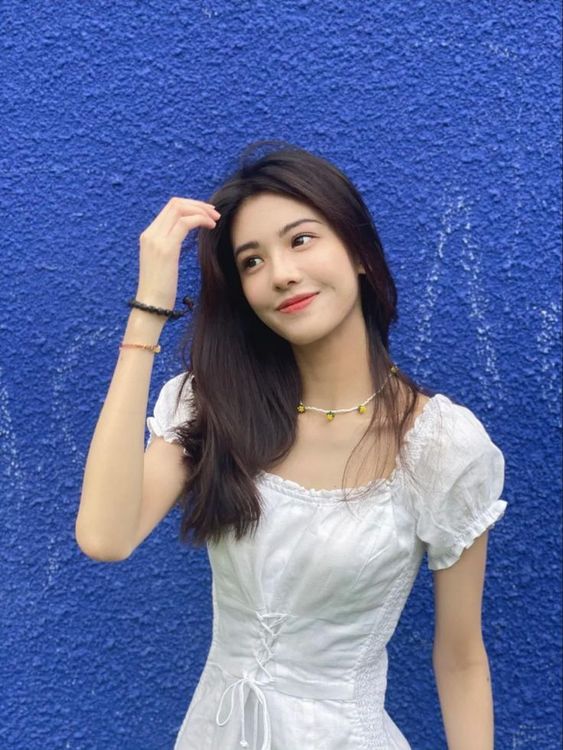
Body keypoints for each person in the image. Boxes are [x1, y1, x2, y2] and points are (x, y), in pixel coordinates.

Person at [75, 141, 508, 749]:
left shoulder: (440, 446)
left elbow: (461, 659)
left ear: (359, 252)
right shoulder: (213, 405)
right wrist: (148, 311)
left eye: (301, 240)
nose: (280, 273)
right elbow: (105, 537)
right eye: (251, 261)